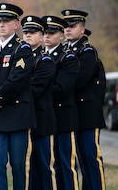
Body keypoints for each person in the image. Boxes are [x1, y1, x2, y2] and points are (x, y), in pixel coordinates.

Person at [0, 3, 36, 190]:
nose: (1, 25)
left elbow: (14, 82)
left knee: (18, 167)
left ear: (16, 24)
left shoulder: (23, 49)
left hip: (17, 115)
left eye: (6, 21)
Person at [62, 9, 106, 190]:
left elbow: (78, 79)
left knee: (90, 157)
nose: (68, 29)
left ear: (82, 29)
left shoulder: (87, 51)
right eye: (65, 26)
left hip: (87, 114)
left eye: (72, 26)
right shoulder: (65, 51)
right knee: (79, 159)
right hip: (73, 114)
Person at [43, 15, 80, 190]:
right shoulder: (38, 57)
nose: (47, 36)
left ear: (61, 36)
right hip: (45, 118)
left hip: (63, 118)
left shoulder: (69, 58)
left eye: (52, 32)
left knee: (65, 164)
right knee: (48, 165)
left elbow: (61, 88)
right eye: (45, 32)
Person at [21, 15, 57, 190]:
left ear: (42, 36)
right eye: (25, 31)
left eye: (33, 32)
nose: (28, 35)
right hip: (25, 119)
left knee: (44, 167)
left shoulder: (45, 61)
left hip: (42, 121)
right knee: (30, 168)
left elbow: (34, 88)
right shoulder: (19, 58)